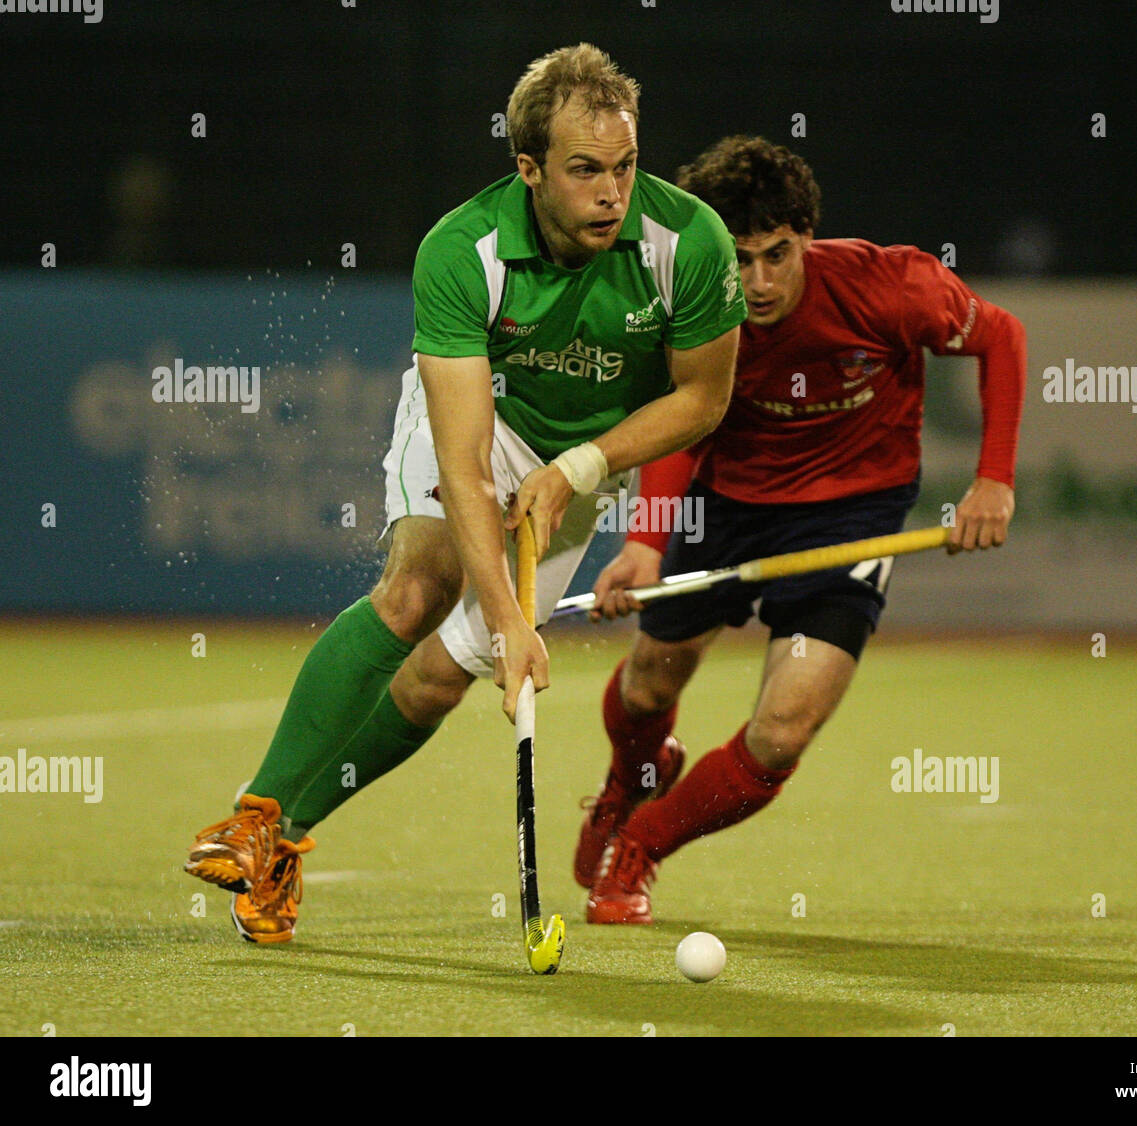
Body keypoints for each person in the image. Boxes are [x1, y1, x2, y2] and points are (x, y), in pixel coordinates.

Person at [182, 44, 746, 943]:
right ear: (528, 170)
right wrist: (512, 618)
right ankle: (256, 809)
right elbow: (470, 459)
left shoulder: (691, 242)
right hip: (492, 426)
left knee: (439, 683)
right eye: (586, 171)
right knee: (418, 588)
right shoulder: (461, 251)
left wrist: (582, 468)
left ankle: (284, 840)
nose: (614, 192)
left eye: (627, 166)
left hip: (590, 456)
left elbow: (702, 400)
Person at [575, 135, 1027, 923]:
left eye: (776, 255)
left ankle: (640, 847)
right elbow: (681, 427)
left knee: (781, 735)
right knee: (648, 686)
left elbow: (1002, 337)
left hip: (853, 516)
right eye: (739, 259)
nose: (757, 282)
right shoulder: (693, 303)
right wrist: (646, 540)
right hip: (728, 502)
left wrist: (994, 477)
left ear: (807, 237)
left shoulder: (890, 285)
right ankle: (630, 782)